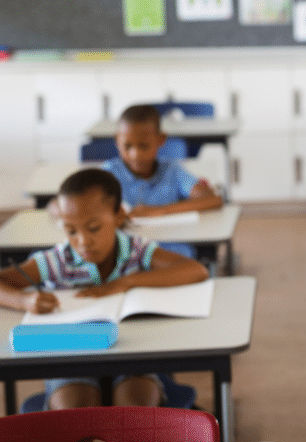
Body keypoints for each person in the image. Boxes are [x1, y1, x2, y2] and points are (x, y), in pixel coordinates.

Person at [0, 168, 209, 412]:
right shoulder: (57, 260)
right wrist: (23, 300)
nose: (82, 241)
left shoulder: (135, 251)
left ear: (118, 216)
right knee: (76, 413)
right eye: (71, 231)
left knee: (135, 410)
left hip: (132, 356)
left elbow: (195, 270)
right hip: (70, 358)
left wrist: (125, 282)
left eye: (94, 228)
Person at [102, 104, 223, 259]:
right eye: (127, 146)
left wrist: (157, 211)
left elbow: (213, 200)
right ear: (117, 140)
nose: (135, 155)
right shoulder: (109, 172)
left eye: (144, 146)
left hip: (171, 249)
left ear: (161, 140)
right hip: (125, 251)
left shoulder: (172, 170)